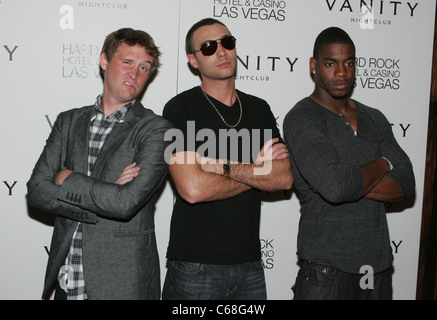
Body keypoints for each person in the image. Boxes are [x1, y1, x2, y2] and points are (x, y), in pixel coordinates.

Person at [27, 28, 172, 300]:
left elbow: (125, 203)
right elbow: (36, 190)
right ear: (104, 60)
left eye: (144, 67)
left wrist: (67, 178)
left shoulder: (157, 130)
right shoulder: (68, 121)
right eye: (127, 62)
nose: (135, 73)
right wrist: (106, 192)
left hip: (122, 284)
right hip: (67, 279)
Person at [161, 18, 293, 300]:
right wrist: (259, 173)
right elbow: (192, 189)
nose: (221, 52)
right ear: (193, 60)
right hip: (195, 266)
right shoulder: (178, 109)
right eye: (208, 47)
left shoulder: (259, 108)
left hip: (250, 265)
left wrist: (219, 167)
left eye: (227, 43)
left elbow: (283, 178)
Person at [283, 27, 415, 300]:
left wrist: (345, 180)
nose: (342, 72)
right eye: (331, 63)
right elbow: (335, 187)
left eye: (349, 63)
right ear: (314, 66)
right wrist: (384, 163)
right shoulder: (302, 117)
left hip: (376, 269)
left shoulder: (374, 117)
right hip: (325, 271)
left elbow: (407, 183)